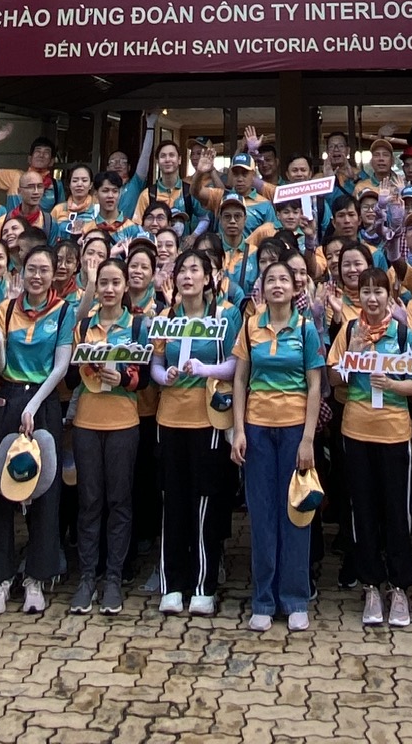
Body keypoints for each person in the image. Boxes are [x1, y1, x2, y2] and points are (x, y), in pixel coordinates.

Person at [233, 255, 326, 632]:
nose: (277, 285)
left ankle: (295, 597)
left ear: (294, 287)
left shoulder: (305, 329)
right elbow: (240, 380)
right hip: (256, 430)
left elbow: (315, 386)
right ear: (262, 287)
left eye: (283, 280)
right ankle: (264, 600)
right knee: (262, 516)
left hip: (294, 432)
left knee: (296, 513)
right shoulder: (250, 326)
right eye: (270, 280)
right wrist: (238, 431)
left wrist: (308, 439)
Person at [0, 244, 74, 615]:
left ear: (54, 274)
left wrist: (34, 405)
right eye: (31, 269)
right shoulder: (5, 310)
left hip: (44, 401)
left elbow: (61, 367)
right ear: (22, 272)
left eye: (44, 270)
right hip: (8, 401)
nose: (37, 276)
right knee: (0, 489)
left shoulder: (63, 310)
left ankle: (37, 577)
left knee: (45, 492)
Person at [330, 269, 412, 629]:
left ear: (389, 295)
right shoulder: (349, 330)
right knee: (363, 511)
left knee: (397, 512)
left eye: (378, 292)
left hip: (394, 433)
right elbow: (332, 378)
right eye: (365, 291)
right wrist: (351, 354)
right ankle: (370, 585)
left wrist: (392, 385)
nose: (372, 298)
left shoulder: (402, 332)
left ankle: (399, 587)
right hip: (356, 430)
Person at [151, 247, 236, 616]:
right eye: (182, 271)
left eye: (195, 270)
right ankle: (172, 584)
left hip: (209, 421)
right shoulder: (165, 318)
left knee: (205, 503)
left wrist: (205, 370)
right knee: (173, 501)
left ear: (208, 278)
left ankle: (203, 585)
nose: (187, 277)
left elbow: (234, 364)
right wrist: (164, 376)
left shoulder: (224, 316)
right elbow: (155, 364)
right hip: (170, 418)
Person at [69, 256, 145, 614]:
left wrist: (124, 378)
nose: (110, 289)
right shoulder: (84, 326)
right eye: (104, 283)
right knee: (89, 501)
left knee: (119, 501)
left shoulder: (138, 325)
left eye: (116, 282)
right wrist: (86, 365)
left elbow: (144, 379)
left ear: (126, 286)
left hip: (124, 423)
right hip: (86, 422)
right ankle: (87, 577)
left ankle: (113, 577)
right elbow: (70, 378)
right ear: (95, 287)